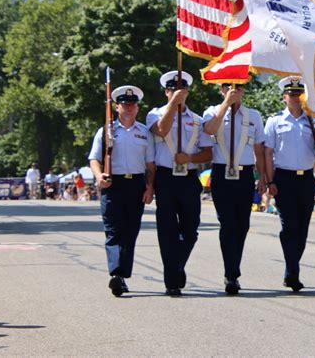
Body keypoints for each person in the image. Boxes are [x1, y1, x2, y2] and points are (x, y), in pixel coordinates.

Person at [146, 71, 212, 296]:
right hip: (165, 177)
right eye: (173, 90)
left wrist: (190, 158)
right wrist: (172, 106)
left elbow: (207, 153)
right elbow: (162, 130)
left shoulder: (196, 119)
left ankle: (177, 266)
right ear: (166, 92)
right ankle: (172, 279)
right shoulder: (155, 114)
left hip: (188, 178)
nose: (178, 93)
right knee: (167, 230)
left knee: (191, 229)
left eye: (182, 90)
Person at [264, 76, 315, 292]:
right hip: (283, 178)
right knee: (289, 226)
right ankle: (292, 270)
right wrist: (269, 180)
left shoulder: (313, 121)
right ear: (284, 97)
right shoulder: (274, 121)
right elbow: (268, 153)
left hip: (305, 179)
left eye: (298, 94)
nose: (295, 97)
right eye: (291, 94)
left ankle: (292, 267)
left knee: (302, 228)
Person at [89, 85, 155, 297]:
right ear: (117, 107)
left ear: (137, 108)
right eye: (125, 104)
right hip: (112, 184)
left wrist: (150, 187)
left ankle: (122, 274)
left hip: (135, 184)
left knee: (130, 231)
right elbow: (94, 159)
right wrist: (100, 177)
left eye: (133, 104)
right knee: (113, 229)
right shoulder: (106, 131)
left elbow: (150, 164)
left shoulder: (145, 132)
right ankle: (116, 273)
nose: (129, 107)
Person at [203, 83, 266, 295]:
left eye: (238, 86)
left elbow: (259, 147)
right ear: (221, 90)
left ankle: (233, 267)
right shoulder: (213, 111)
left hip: (245, 174)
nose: (234, 90)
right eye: (228, 87)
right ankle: (231, 274)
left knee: (242, 225)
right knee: (227, 224)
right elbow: (209, 130)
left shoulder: (253, 115)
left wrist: (263, 176)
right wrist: (226, 104)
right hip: (222, 173)